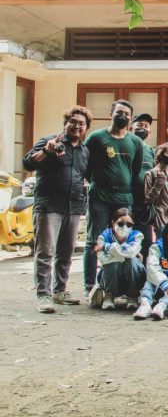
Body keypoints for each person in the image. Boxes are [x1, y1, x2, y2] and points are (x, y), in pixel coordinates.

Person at [23, 105, 91, 313]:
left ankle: (60, 290)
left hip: (73, 207)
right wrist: (46, 150)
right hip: (49, 206)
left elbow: (84, 176)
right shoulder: (49, 141)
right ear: (65, 123)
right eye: (73, 122)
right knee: (45, 252)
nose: (77, 126)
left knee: (66, 253)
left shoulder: (84, 151)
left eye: (81, 124)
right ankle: (44, 295)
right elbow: (28, 163)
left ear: (86, 127)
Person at [83, 99, 144, 295]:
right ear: (111, 114)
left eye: (127, 114)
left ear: (130, 118)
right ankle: (90, 286)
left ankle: (119, 287)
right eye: (119, 112)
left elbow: (135, 171)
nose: (123, 116)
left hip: (124, 198)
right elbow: (85, 166)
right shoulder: (96, 138)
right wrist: (99, 181)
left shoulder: (135, 142)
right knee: (94, 240)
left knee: (123, 241)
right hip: (100, 196)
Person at [132, 220, 168, 320]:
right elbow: (152, 266)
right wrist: (164, 284)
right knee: (152, 276)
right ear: (166, 233)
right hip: (160, 287)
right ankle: (145, 304)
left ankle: (162, 306)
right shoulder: (157, 247)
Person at [90, 208, 146, 311]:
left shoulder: (137, 235)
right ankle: (109, 296)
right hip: (110, 278)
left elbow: (131, 253)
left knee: (132, 261)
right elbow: (104, 260)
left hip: (132, 278)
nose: (125, 227)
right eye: (121, 223)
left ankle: (133, 296)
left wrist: (106, 247)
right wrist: (124, 254)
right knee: (113, 263)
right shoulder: (103, 237)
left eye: (129, 224)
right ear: (113, 222)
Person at [129, 112, 155, 261]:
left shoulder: (150, 150)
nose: (143, 128)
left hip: (145, 203)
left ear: (150, 131)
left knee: (146, 241)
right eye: (139, 125)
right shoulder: (127, 145)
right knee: (127, 239)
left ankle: (143, 271)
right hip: (128, 200)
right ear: (131, 128)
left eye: (146, 126)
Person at [144, 143, 168, 236]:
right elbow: (148, 199)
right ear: (161, 155)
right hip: (161, 216)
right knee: (162, 241)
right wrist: (158, 183)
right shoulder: (150, 174)